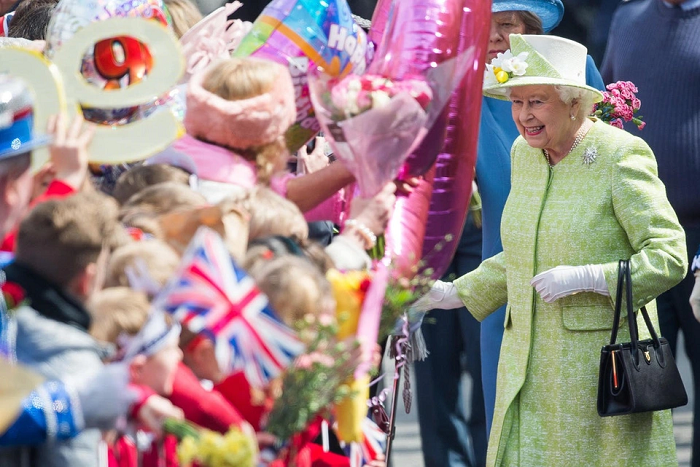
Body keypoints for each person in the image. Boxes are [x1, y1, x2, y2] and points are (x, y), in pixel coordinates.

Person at [412, 34, 686, 466]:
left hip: (599, 373)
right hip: (527, 366)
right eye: (517, 102)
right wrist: (454, 293)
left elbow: (669, 254)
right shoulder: (525, 154)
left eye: (536, 101)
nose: (523, 116)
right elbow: (524, 253)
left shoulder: (621, 155)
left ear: (575, 102)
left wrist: (593, 278)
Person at [476, 0, 605, 438]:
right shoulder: (465, 89)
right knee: (507, 421)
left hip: (578, 277)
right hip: (503, 280)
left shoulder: (573, 68)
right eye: (483, 24)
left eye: (505, 25)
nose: (494, 36)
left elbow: (609, 156)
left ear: (529, 29)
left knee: (576, 425)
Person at [601, 1, 700, 464]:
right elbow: (603, 118)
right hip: (636, 241)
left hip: (699, 240)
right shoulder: (627, 19)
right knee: (637, 390)